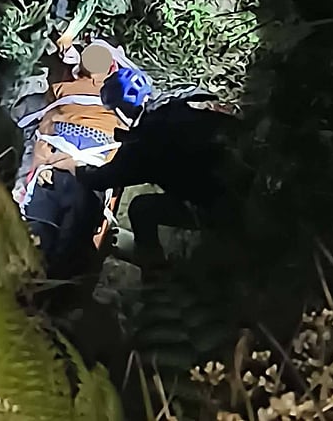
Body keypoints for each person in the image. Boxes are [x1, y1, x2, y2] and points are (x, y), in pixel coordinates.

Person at [58, 70, 245, 267]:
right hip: (245, 162)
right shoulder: (183, 95)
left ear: (121, 111)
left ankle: (154, 269)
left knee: (141, 209)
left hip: (222, 202)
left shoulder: (145, 145)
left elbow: (100, 179)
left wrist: (73, 166)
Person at [15, 45, 140, 278]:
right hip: (92, 170)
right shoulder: (124, 103)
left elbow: (43, 131)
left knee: (38, 229)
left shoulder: (61, 89)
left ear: (79, 68)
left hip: (56, 165)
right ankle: (60, 278)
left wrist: (42, 165)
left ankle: (34, 274)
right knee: (72, 242)